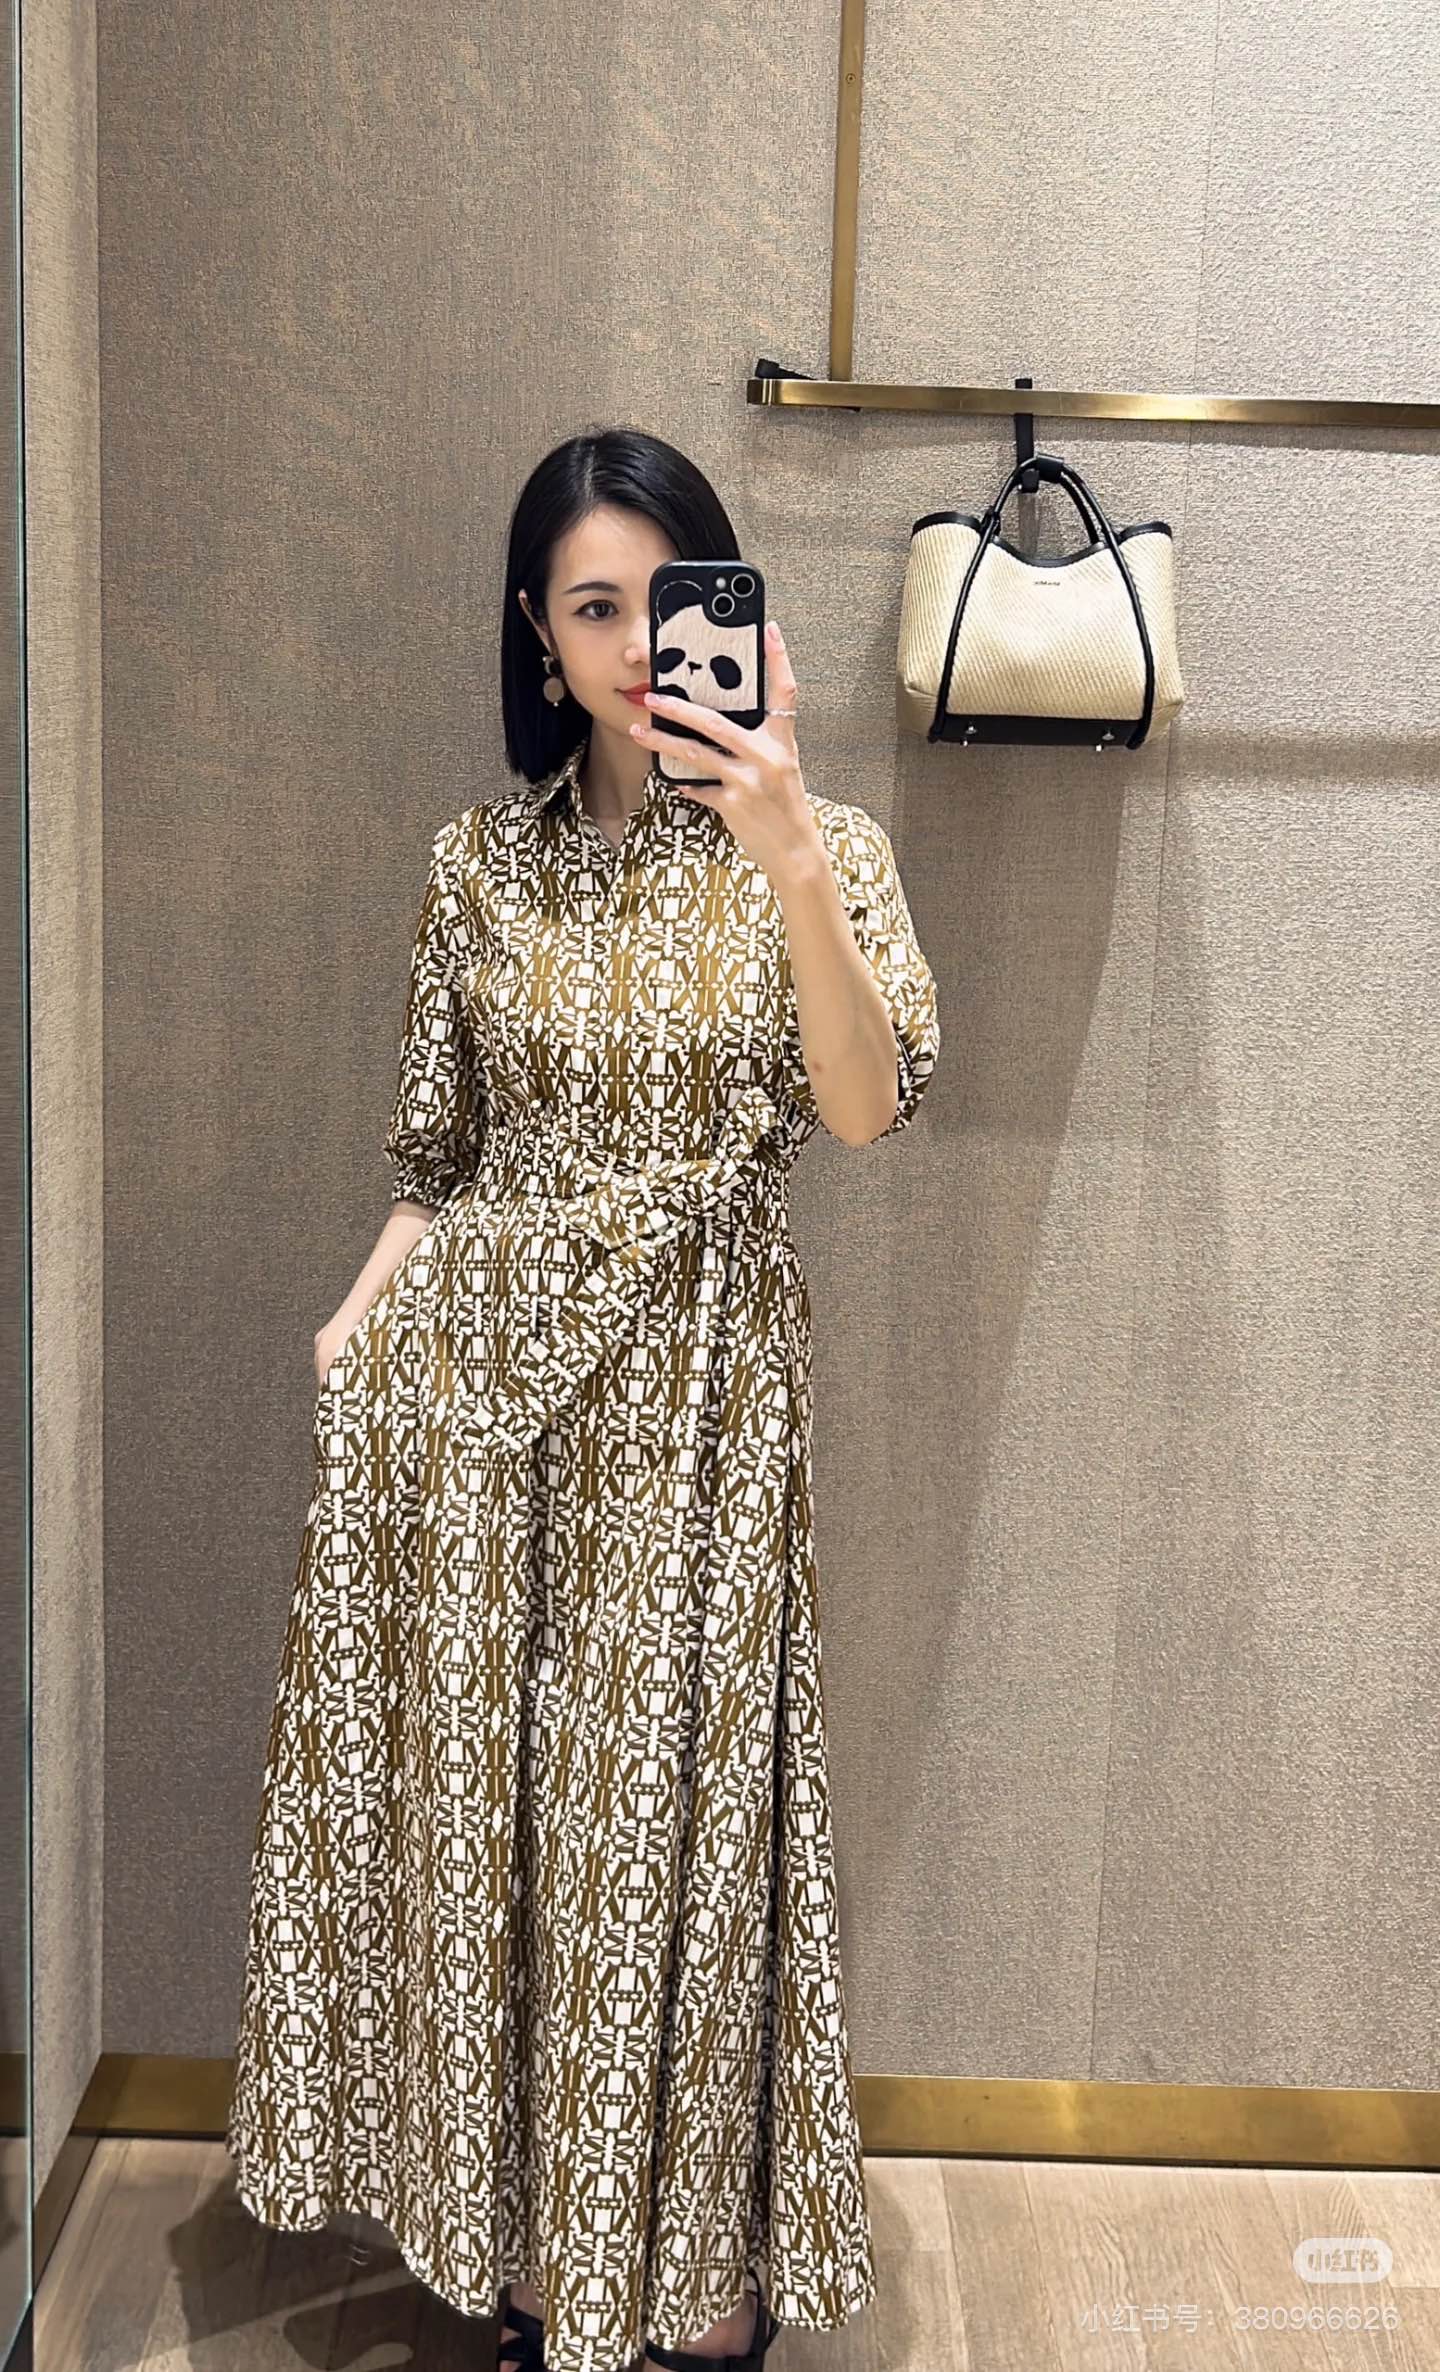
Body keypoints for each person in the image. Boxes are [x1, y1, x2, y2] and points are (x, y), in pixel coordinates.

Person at [225, 426, 941, 2372]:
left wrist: (790, 845)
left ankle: (688, 2277)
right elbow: (437, 1166)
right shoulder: (477, 865)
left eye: (663, 599)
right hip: (480, 1415)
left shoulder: (825, 849)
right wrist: (354, 1327)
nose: (635, 646)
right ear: (537, 635)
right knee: (517, 1827)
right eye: (593, 607)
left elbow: (865, 1108)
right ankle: (542, 2264)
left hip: (701, 1411)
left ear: (732, 611)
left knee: (675, 1827)